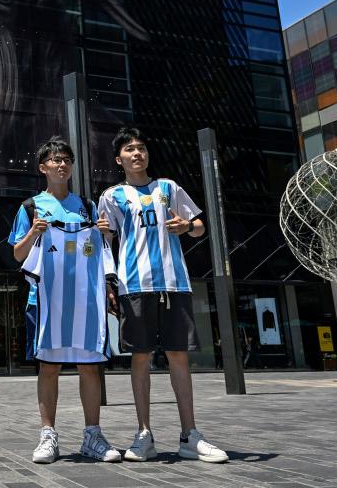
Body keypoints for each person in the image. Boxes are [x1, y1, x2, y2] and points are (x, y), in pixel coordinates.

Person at [98, 128, 228, 463]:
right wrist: (108, 284)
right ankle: (144, 434)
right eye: (129, 149)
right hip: (133, 285)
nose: (137, 153)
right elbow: (106, 242)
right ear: (119, 159)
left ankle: (190, 435)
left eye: (141, 147)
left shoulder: (169, 187)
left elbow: (199, 224)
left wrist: (188, 227)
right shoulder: (112, 195)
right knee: (140, 358)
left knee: (178, 356)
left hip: (174, 283)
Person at [9, 136, 121, 464]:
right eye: (55, 160)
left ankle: (93, 435)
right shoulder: (30, 207)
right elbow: (18, 254)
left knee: (89, 367)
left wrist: (105, 234)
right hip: (45, 300)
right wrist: (33, 233)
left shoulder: (88, 206)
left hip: (85, 300)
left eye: (66, 160)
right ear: (43, 167)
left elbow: (101, 251)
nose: (62, 164)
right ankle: (48, 436)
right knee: (49, 366)